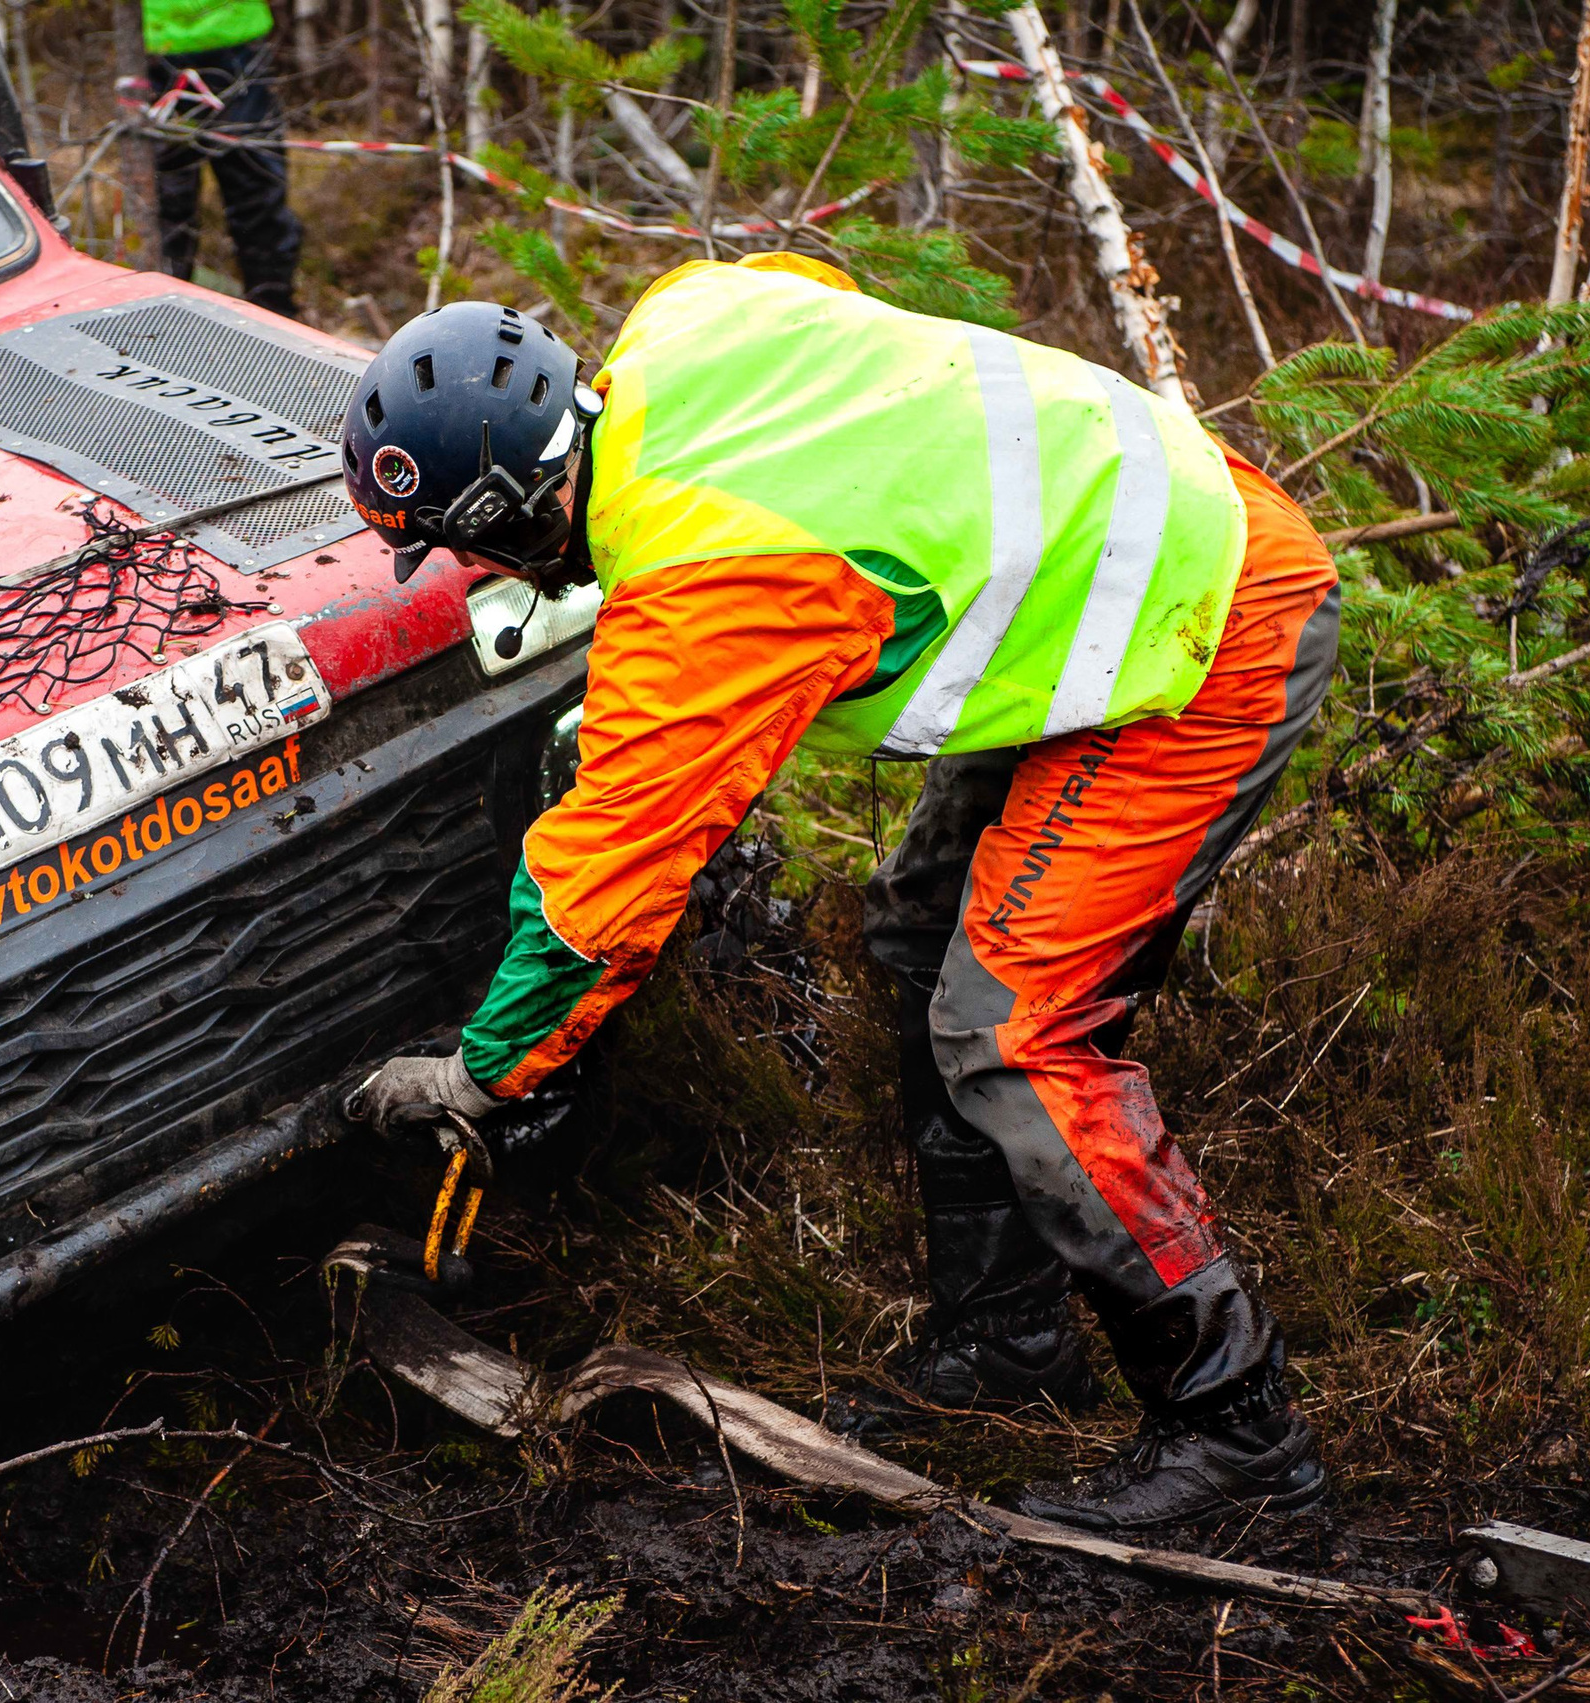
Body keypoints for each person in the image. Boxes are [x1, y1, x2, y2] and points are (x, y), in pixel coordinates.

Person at [340, 255, 1339, 1531]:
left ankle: (1237, 1425)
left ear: (514, 515)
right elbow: (807, 279)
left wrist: (485, 1077)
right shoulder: (681, 321)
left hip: (1211, 626)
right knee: (921, 937)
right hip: (1124, 561)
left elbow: (600, 896)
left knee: (1016, 1035)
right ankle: (1007, 1337)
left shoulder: (707, 582)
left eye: (465, 550)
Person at [141, 0, 303, 319]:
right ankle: (162, 322)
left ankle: (275, 318)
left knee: (257, 196)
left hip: (236, 44)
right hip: (161, 51)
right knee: (165, 205)